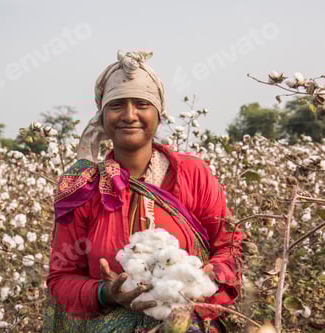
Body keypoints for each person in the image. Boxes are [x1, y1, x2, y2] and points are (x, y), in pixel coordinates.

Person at [45, 50, 242, 333]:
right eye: (116, 106)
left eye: (141, 104)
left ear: (158, 115)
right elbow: (61, 278)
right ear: (102, 117)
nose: (129, 115)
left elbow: (230, 244)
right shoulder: (82, 188)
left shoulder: (191, 174)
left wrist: (212, 277)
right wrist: (105, 293)